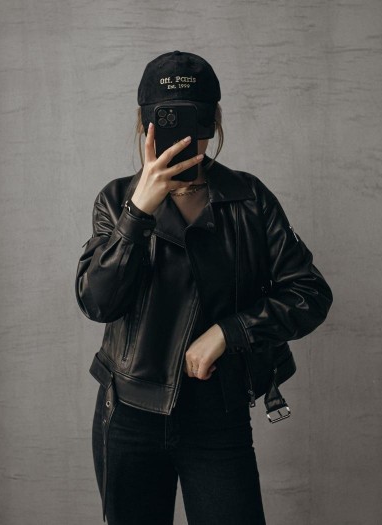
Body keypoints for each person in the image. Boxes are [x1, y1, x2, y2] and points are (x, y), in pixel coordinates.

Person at [75, 50, 333, 525]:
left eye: (191, 116)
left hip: (218, 415)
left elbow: (309, 294)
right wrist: (138, 214)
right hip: (129, 414)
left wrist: (229, 331)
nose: (179, 133)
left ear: (212, 121)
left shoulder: (248, 199)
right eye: (165, 117)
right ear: (144, 124)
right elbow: (97, 302)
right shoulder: (116, 200)